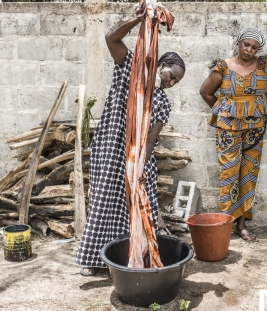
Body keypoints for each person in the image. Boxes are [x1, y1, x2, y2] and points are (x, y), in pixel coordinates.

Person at [75, 14, 186, 276]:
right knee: (104, 200)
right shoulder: (130, 68)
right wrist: (140, 18)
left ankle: (133, 262)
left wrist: (139, 168)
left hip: (137, 158)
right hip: (111, 146)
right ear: (161, 64)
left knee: (136, 207)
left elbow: (150, 141)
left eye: (176, 82)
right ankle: (94, 260)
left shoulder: (162, 102)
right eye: (172, 75)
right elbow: (110, 38)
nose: (171, 82)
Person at [199, 27, 267, 241]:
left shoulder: (264, 65)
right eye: (246, 45)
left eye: (254, 47)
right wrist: (224, 109)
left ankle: (242, 224)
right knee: (229, 173)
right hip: (228, 129)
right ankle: (226, 222)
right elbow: (205, 92)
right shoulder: (223, 67)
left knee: (248, 174)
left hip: (255, 128)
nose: (249, 50)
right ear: (239, 43)